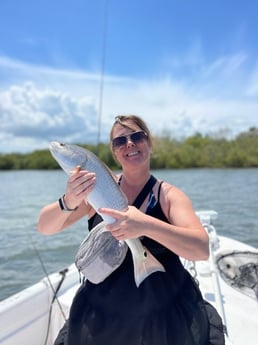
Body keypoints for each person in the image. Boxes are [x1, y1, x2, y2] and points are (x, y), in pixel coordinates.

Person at [38, 115, 225, 345]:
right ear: (114, 151)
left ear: (149, 143)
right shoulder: (93, 188)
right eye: (120, 141)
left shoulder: (168, 196)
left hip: (163, 312)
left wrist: (146, 224)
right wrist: (69, 199)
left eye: (137, 136)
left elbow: (201, 249)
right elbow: (45, 227)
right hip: (103, 312)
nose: (129, 144)